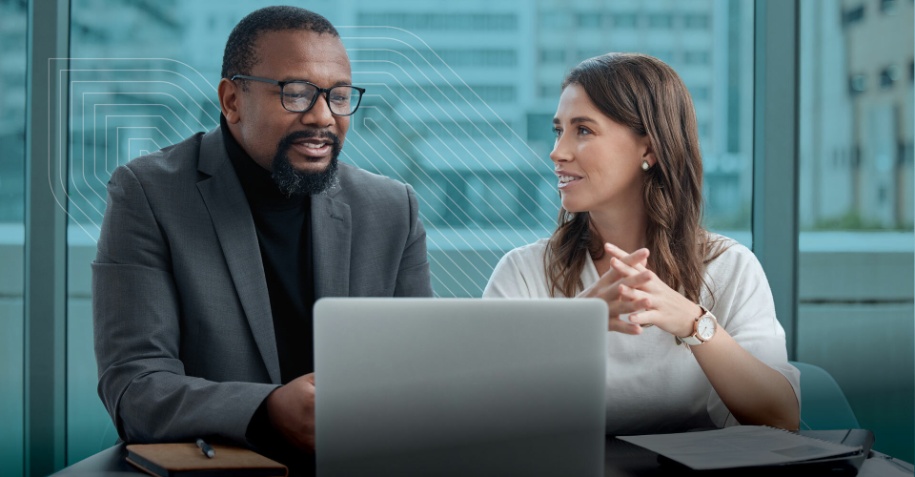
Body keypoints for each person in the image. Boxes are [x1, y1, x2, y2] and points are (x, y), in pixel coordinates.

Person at [92, 6, 432, 472]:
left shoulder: (393, 208)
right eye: (296, 93)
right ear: (232, 100)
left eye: (338, 96)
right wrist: (267, 409)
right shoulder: (149, 194)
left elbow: (426, 378)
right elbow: (135, 386)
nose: (323, 117)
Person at [484, 53, 799, 434]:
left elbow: (781, 418)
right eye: (558, 130)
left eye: (582, 130)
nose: (557, 151)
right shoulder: (524, 272)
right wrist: (575, 325)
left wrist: (694, 323)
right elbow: (484, 419)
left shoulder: (729, 267)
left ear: (647, 150)